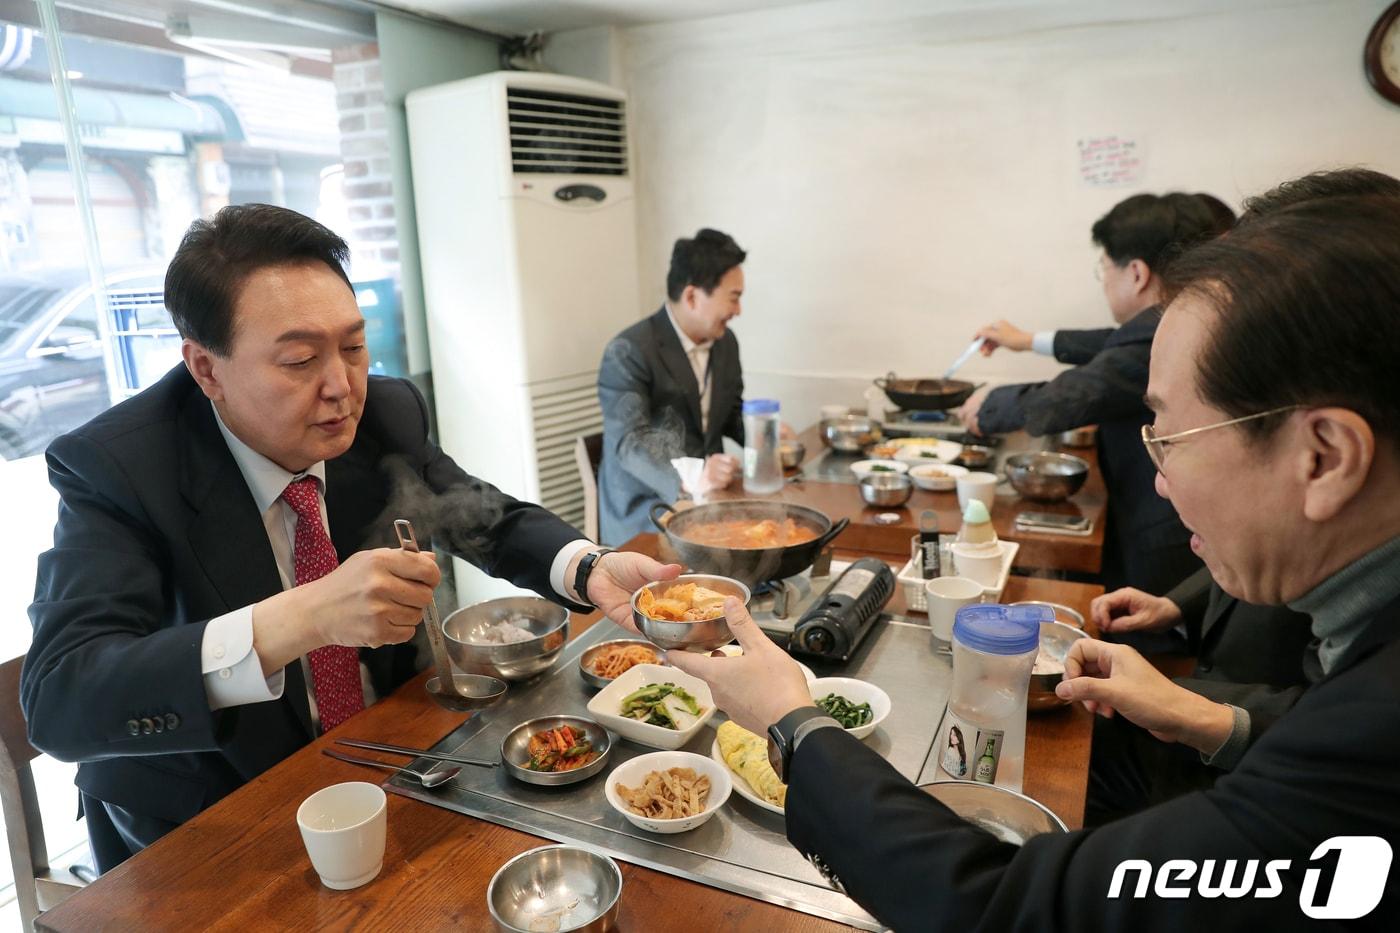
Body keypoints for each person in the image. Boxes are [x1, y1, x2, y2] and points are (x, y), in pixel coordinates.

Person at [668, 191, 1400, 929]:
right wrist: (1210, 719)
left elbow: (1002, 907)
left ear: (1326, 457)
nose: (1158, 478)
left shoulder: (1371, 739)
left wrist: (792, 720)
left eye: (1169, 435)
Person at [21, 205, 678, 873]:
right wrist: (304, 616)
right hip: (215, 816)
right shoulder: (124, 467)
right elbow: (60, 697)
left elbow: (484, 515)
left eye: (355, 347)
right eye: (301, 359)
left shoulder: (384, 413)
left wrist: (589, 566)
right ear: (206, 369)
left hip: (384, 755)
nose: (342, 387)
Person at [958, 192, 1219, 595]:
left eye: (1104, 269)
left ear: (1136, 273)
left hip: (1163, 534)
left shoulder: (1162, 333)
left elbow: (1073, 396)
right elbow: (1114, 343)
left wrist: (986, 406)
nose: (1105, 282)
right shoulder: (1185, 315)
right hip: (1166, 521)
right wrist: (1027, 340)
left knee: (1149, 639)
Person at [597, 229, 747, 545]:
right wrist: (692, 478)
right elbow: (630, 442)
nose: (738, 311)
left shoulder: (725, 342)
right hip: (648, 511)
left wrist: (769, 435)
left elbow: (732, 413)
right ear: (692, 296)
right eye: (733, 298)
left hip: (709, 504)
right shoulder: (628, 350)